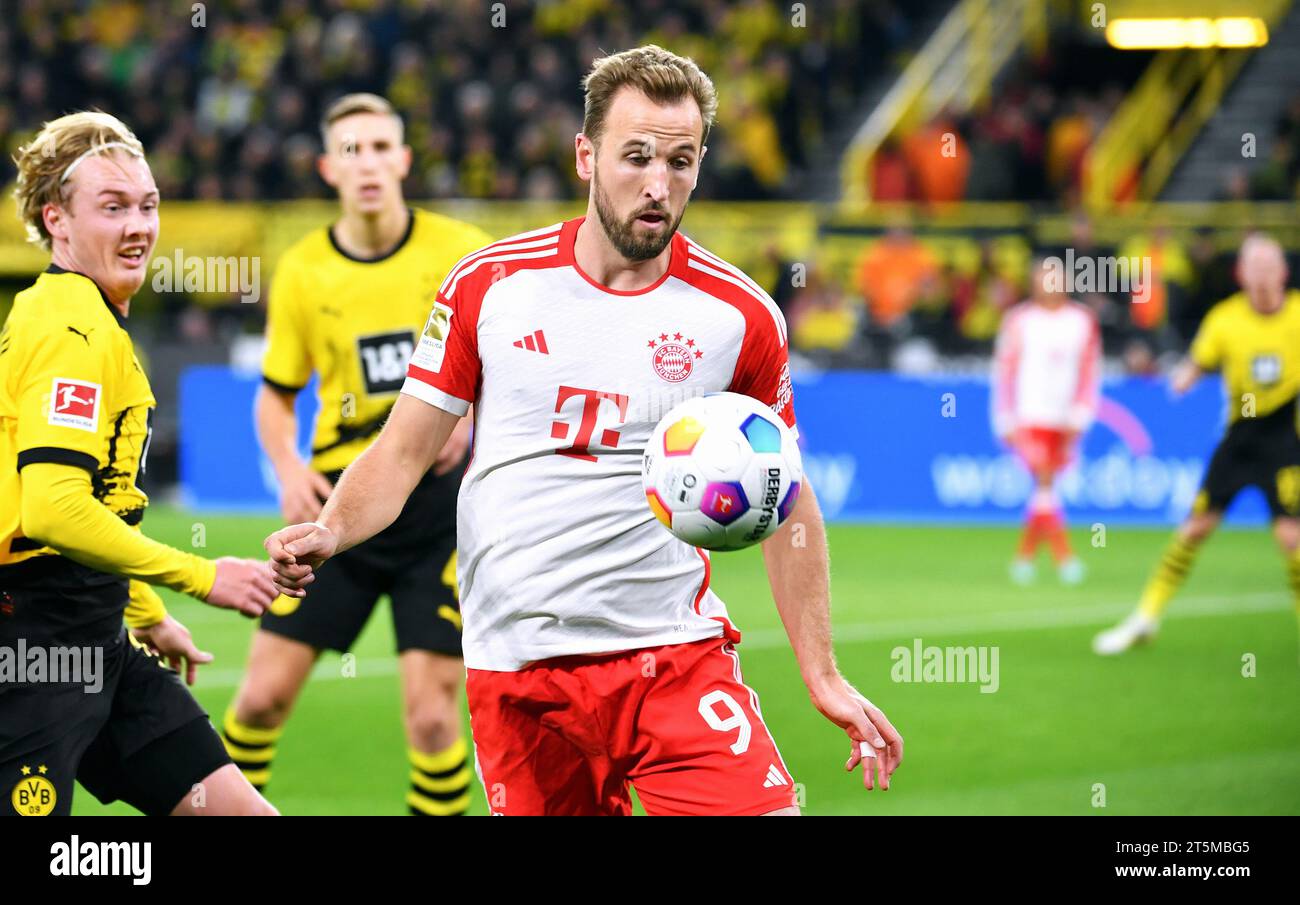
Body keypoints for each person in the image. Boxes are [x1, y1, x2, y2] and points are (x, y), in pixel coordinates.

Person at [265, 45, 902, 816]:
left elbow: (788, 500)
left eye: (682, 160)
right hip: (519, 671)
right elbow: (403, 451)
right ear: (585, 154)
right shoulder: (490, 285)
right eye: (636, 157)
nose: (659, 186)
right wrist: (330, 531)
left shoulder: (741, 318)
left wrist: (822, 671)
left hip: (674, 661)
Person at [0, 112, 278, 816]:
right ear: (55, 219)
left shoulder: (90, 317)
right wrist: (201, 576)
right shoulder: (70, 325)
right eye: (113, 206)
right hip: (30, 645)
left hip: (98, 632)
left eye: (148, 205)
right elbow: (53, 508)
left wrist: (145, 610)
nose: (138, 226)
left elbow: (104, 496)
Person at [222, 94, 489, 816]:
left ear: (403, 161)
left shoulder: (461, 250)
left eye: (379, 148)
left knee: (433, 718)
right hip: (343, 507)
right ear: (327, 168)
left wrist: (470, 408)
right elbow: (276, 394)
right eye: (351, 150)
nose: (367, 163)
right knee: (259, 698)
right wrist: (286, 467)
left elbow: (510, 362)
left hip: (440, 512)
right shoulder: (305, 269)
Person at [1095, 235, 1300, 655]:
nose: (1262, 274)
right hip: (1240, 440)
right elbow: (1195, 365)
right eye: (1253, 266)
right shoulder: (1225, 320)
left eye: (1269, 265)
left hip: (1285, 441)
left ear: (1284, 271)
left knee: (1291, 538)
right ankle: (1145, 617)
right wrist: (1176, 377)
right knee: (1194, 528)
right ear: (1240, 274)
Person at [992, 257, 1100, 585]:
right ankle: (1064, 557)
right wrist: (1004, 417)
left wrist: (1082, 413)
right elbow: (1004, 370)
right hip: (1029, 414)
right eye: (1043, 278)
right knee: (1044, 481)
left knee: (1046, 488)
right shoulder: (1019, 320)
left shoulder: (1082, 320)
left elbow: (1090, 370)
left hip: (1064, 417)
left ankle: (1025, 557)